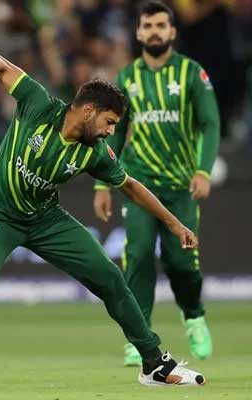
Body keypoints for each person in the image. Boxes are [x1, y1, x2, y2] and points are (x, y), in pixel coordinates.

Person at [0, 51, 206, 390]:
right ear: (89, 110)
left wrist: (174, 224)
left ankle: (154, 364)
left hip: (45, 220)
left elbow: (131, 187)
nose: (111, 131)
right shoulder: (38, 103)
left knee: (109, 275)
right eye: (109, 122)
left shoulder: (94, 152)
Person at [92, 1, 220, 366]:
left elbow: (210, 124)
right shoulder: (128, 76)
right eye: (148, 26)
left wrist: (203, 170)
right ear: (138, 33)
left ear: (172, 32)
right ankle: (139, 336)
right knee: (139, 253)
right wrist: (103, 184)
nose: (154, 31)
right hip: (139, 182)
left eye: (161, 25)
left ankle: (193, 316)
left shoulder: (192, 74)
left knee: (182, 262)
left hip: (180, 185)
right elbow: (112, 133)